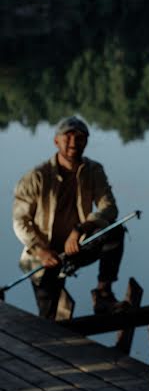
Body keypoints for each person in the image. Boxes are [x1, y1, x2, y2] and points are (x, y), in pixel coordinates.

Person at [13, 115, 126, 320]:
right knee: (48, 318)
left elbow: (109, 207)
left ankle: (103, 294)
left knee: (115, 230)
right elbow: (20, 221)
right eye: (68, 137)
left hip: (77, 246)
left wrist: (81, 229)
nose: (74, 142)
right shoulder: (36, 176)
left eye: (80, 137)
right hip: (43, 256)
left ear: (87, 141)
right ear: (57, 141)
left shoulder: (93, 170)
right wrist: (41, 251)